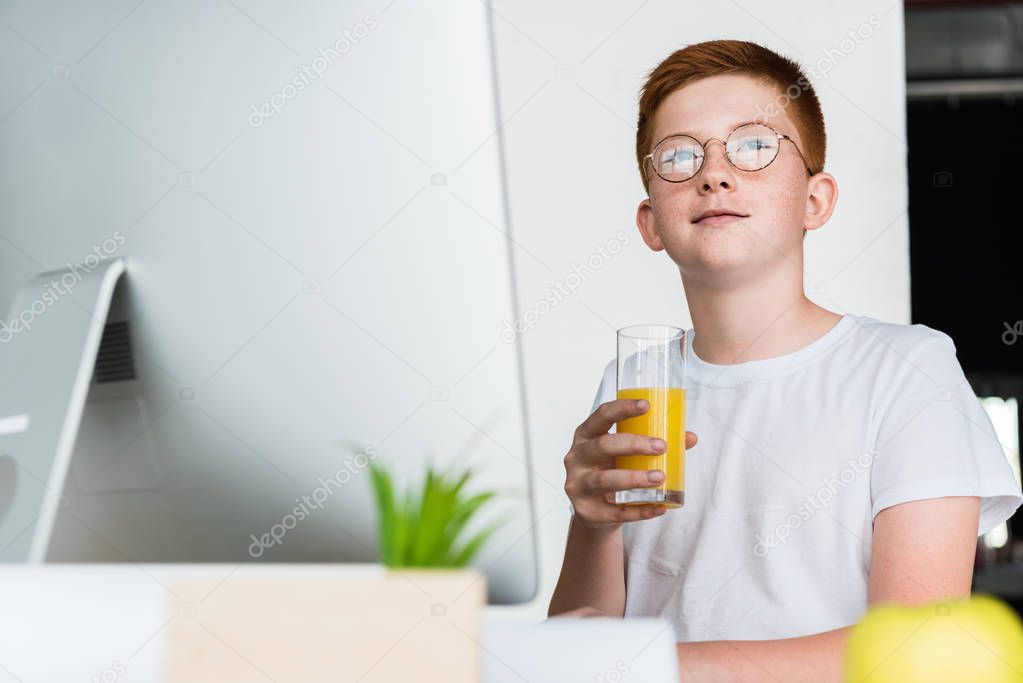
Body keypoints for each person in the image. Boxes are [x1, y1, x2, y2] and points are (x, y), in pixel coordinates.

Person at [547, 39, 1023, 681]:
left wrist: (645, 666)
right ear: (651, 222)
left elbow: (914, 650)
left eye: (753, 145)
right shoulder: (636, 383)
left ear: (814, 200)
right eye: (680, 157)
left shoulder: (908, 369)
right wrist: (594, 526)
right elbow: (578, 652)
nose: (714, 173)